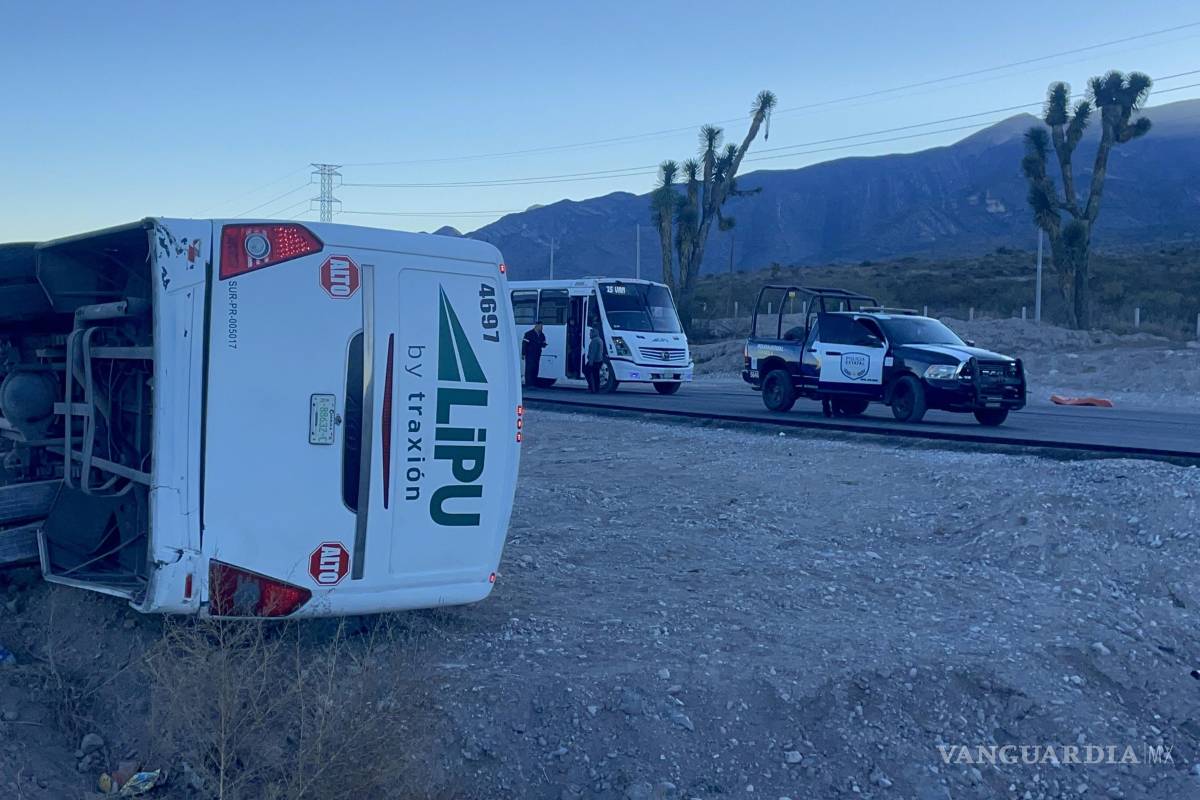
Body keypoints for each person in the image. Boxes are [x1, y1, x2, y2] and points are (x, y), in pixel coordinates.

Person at [521, 322, 547, 387]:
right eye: (540, 326)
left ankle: (533, 383)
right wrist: (523, 353)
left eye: (542, 327)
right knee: (529, 368)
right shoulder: (528, 334)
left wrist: (543, 344)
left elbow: (543, 343)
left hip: (537, 353)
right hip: (530, 353)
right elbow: (524, 344)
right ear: (536, 326)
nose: (541, 328)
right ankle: (528, 384)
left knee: (535, 368)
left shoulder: (542, 335)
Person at [584, 327, 605, 392]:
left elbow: (593, 352)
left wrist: (590, 362)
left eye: (590, 333)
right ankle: (596, 388)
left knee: (587, 372)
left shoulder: (595, 341)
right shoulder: (600, 340)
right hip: (599, 360)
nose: (589, 335)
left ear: (594, 333)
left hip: (594, 361)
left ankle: (592, 388)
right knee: (596, 375)